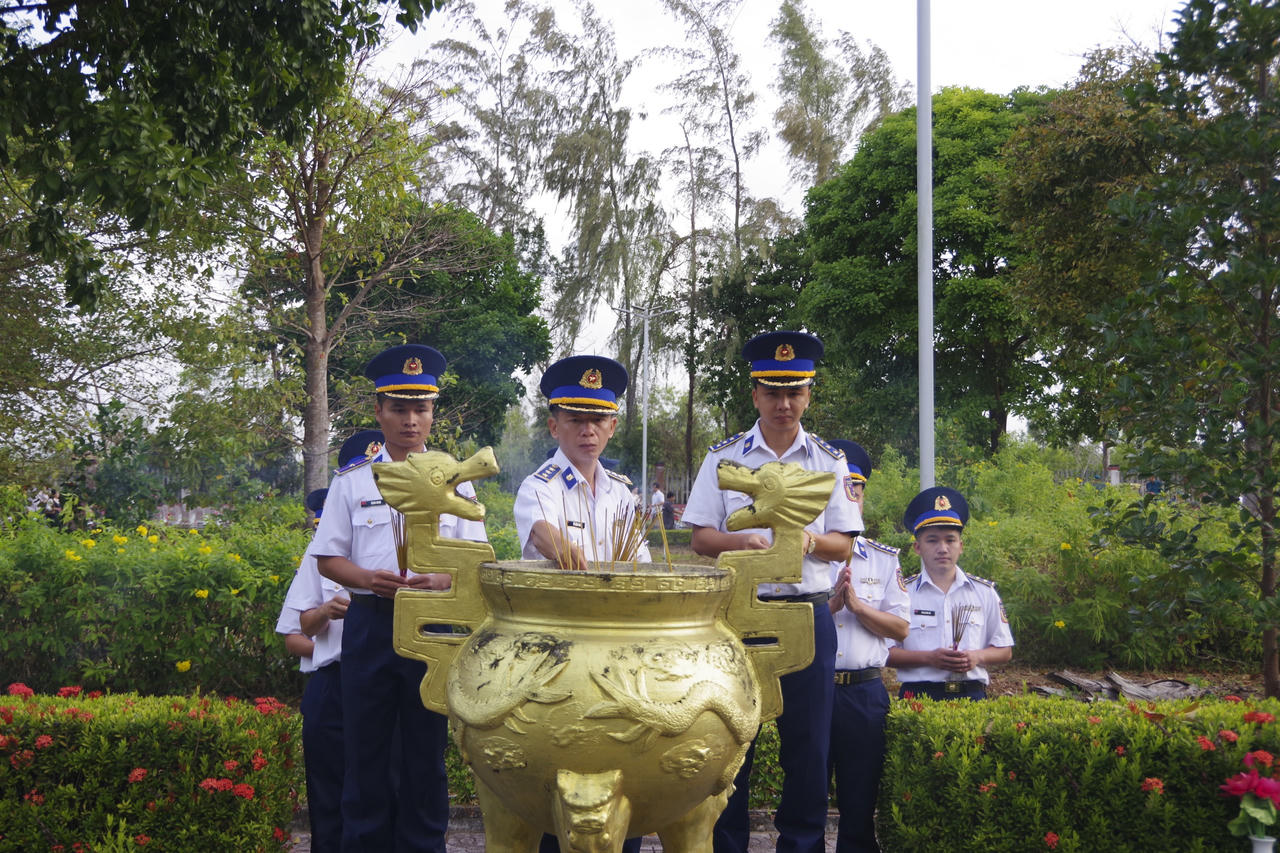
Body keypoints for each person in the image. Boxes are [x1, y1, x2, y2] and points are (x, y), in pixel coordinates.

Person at [681, 330, 862, 853]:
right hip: (740, 615)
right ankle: (727, 845)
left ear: (808, 395)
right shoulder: (725, 458)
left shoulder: (827, 461)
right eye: (773, 393)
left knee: (809, 747)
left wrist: (808, 540)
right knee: (732, 740)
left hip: (808, 616)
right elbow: (700, 538)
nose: (784, 404)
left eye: (794, 392)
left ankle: (802, 845)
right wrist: (740, 540)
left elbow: (844, 545)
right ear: (755, 395)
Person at [313, 345, 487, 853]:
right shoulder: (351, 482)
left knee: (425, 754)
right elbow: (328, 560)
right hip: (371, 623)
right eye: (399, 409)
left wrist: (441, 578)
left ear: (432, 413)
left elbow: (476, 561)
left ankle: (424, 845)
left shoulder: (457, 482)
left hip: (432, 626)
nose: (411, 420)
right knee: (364, 753)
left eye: (421, 409)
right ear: (379, 412)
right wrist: (368, 578)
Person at [513, 354, 645, 852]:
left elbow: (642, 566)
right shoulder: (539, 486)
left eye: (598, 419)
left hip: (621, 651)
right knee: (566, 766)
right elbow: (542, 534)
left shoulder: (624, 495)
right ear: (554, 426)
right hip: (561, 652)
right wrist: (569, 550)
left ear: (612, 426)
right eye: (575, 419)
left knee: (626, 763)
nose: (587, 430)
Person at [274, 430, 383, 853]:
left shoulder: (396, 546)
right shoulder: (319, 556)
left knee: (384, 787)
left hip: (383, 678)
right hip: (333, 681)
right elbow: (295, 633)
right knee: (329, 794)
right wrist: (326, 614)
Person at [824, 440, 909, 853]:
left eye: (854, 490)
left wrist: (858, 608)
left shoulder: (883, 560)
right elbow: (783, 622)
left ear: (862, 497)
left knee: (860, 800)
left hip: (864, 692)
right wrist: (830, 606)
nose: (848, 498)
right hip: (815, 688)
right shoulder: (805, 556)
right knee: (806, 794)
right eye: (838, 490)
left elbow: (901, 628)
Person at [886, 487, 1014, 701]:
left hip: (971, 695)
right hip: (918, 696)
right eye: (932, 540)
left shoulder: (983, 593)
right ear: (917, 547)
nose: (943, 548)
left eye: (950, 540)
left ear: (960, 546)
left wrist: (976, 657)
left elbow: (1004, 649)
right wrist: (929, 658)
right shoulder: (902, 594)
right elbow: (885, 652)